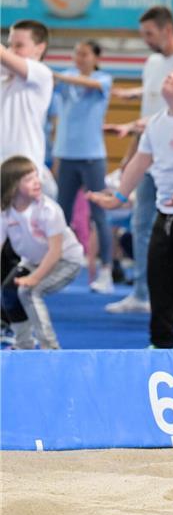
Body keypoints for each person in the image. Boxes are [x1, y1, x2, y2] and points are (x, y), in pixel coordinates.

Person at [89, 64, 173, 349]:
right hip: (168, 212)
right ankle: (162, 343)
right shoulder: (156, 122)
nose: (170, 75)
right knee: (159, 279)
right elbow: (140, 162)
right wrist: (120, 197)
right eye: (170, 73)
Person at [104, 6, 173, 315]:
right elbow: (153, 97)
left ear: (168, 29)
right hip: (148, 154)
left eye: (149, 34)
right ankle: (142, 293)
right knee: (141, 224)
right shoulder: (152, 62)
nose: (145, 40)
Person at [51, 39, 114, 294]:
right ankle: (56, 269)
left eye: (84, 54)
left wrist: (53, 74)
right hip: (65, 155)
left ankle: (106, 272)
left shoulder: (104, 79)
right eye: (76, 53)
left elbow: (91, 84)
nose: (78, 58)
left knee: (99, 215)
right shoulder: (65, 78)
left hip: (92, 157)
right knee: (60, 216)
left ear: (96, 57)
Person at [1, 156, 83, 349]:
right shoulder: (5, 212)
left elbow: (55, 252)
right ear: (12, 186)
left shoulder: (49, 210)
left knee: (29, 292)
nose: (37, 182)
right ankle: (24, 344)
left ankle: (50, 348)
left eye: (36, 176)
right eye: (29, 179)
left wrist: (34, 278)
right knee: (9, 291)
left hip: (66, 261)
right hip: (32, 261)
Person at [0, 20, 57, 199]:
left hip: (23, 167)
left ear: (39, 48)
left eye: (19, 45)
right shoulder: (5, 75)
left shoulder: (42, 74)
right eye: (10, 44)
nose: (12, 49)